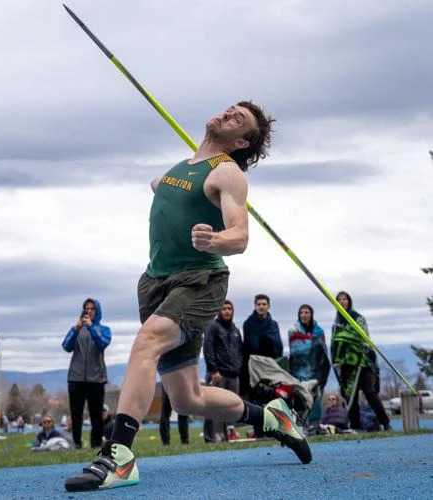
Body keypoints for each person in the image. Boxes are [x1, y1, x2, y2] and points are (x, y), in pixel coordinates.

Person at [65, 102, 311, 493]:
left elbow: (241, 235)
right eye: (230, 109)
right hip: (156, 281)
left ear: (242, 140)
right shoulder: (180, 168)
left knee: (146, 342)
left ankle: (120, 455)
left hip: (200, 279)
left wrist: (215, 239)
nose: (228, 114)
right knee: (187, 398)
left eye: (239, 120)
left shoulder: (227, 173)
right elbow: (167, 195)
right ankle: (270, 418)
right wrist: (161, 186)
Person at [330, 291, 390, 431]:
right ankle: (355, 426)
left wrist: (351, 342)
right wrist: (336, 360)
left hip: (363, 362)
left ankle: (385, 422)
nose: (342, 301)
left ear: (349, 301)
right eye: (339, 299)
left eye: (345, 299)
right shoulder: (336, 324)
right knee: (350, 395)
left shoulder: (358, 318)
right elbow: (334, 344)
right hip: (345, 365)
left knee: (369, 391)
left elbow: (363, 338)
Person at [62, 298, 112, 449]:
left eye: (92, 309)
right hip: (75, 378)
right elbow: (66, 346)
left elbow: (103, 343)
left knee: (96, 415)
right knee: (76, 414)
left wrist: (91, 328)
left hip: (96, 379)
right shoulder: (77, 329)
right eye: (86, 309)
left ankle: (96, 444)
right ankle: (76, 443)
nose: (89, 311)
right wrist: (75, 329)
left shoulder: (104, 329)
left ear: (97, 311)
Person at [203, 300, 242, 442]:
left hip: (233, 375)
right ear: (219, 311)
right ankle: (213, 436)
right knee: (214, 406)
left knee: (230, 407)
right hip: (218, 374)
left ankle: (227, 434)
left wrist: (238, 368)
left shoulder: (235, 330)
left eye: (229, 308)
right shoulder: (212, 327)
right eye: (224, 308)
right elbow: (208, 348)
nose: (227, 311)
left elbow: (239, 351)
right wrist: (213, 370)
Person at [288, 304, 331, 430]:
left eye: (307, 312)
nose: (304, 315)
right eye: (301, 312)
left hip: (316, 371)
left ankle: (315, 425)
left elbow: (323, 353)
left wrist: (320, 375)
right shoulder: (293, 331)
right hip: (298, 372)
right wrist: (309, 342)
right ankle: (300, 426)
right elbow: (295, 352)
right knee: (301, 400)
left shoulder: (319, 332)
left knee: (316, 399)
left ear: (311, 315)